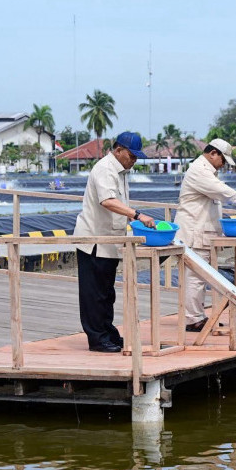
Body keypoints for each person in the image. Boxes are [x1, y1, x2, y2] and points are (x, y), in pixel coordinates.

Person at [74, 132, 156, 352]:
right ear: (118, 150)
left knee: (107, 293)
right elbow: (108, 201)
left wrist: (131, 218)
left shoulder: (122, 171)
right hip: (94, 240)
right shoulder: (105, 169)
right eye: (131, 155)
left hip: (110, 239)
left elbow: (119, 203)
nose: (134, 160)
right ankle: (97, 338)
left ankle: (107, 332)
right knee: (94, 293)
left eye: (137, 157)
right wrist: (137, 215)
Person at [174, 138, 236, 332]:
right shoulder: (200, 171)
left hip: (201, 231)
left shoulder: (206, 171)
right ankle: (193, 319)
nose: (224, 164)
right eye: (223, 160)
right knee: (194, 278)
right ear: (213, 153)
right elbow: (222, 191)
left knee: (199, 278)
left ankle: (198, 316)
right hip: (194, 231)